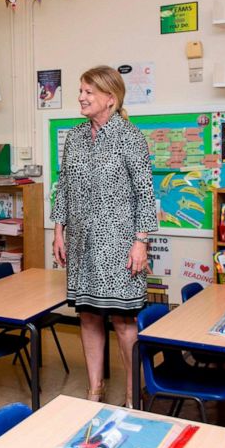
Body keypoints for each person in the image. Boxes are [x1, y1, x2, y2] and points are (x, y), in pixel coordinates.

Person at [51, 65, 158, 407]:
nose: (81, 97)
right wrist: (58, 230)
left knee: (125, 322)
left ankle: (132, 392)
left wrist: (141, 241)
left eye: (88, 92)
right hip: (82, 246)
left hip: (120, 247)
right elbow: (63, 185)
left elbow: (144, 192)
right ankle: (94, 389)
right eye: (80, 90)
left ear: (110, 99)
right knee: (88, 315)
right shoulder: (75, 137)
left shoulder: (130, 136)